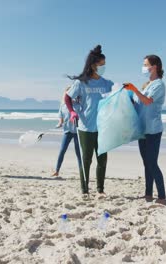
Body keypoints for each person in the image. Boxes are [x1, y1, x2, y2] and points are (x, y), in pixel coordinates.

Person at [65, 45, 114, 195]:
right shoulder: (81, 83)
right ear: (93, 65)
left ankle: (100, 190)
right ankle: (85, 190)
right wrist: (72, 112)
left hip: (103, 127)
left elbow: (118, 96)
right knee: (86, 160)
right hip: (85, 127)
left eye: (104, 65)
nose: (103, 67)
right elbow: (67, 97)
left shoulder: (107, 83)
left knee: (102, 159)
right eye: (101, 65)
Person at [124, 55, 166, 205]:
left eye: (145, 64)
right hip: (143, 130)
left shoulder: (159, 85)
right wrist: (128, 96)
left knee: (152, 162)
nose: (143, 67)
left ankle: (162, 196)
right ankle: (148, 194)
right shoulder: (148, 85)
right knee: (146, 162)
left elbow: (147, 101)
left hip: (153, 130)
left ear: (154, 66)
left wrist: (134, 89)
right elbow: (138, 104)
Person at [52, 87, 82, 177]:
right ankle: (57, 171)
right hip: (67, 132)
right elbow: (61, 120)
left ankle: (82, 172)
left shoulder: (79, 105)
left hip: (77, 132)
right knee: (62, 151)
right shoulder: (62, 106)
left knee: (78, 152)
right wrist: (59, 124)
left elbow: (83, 118)